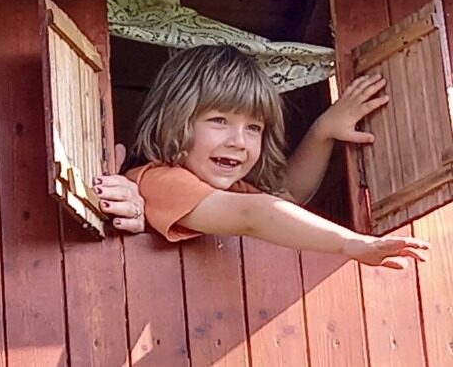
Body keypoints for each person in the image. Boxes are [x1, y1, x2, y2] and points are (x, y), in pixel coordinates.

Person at [103, 44, 428, 268]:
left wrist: (323, 131)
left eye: (254, 128)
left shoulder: (232, 190)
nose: (239, 142)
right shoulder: (158, 180)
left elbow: (288, 197)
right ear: (174, 120)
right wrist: (351, 243)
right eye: (219, 121)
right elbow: (255, 214)